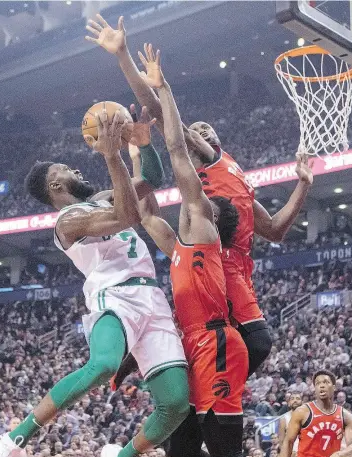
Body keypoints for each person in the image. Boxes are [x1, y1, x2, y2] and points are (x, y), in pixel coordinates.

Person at [127, 44, 307, 457]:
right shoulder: (195, 223)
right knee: (183, 444)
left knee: (222, 448)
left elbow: (180, 145)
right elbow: (143, 212)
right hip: (214, 333)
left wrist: (160, 91)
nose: (203, 133)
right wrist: (132, 152)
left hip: (231, 334)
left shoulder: (206, 216)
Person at [0, 110, 190, 457]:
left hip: (152, 298)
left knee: (177, 403)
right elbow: (127, 216)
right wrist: (113, 157)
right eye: (65, 167)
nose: (76, 166)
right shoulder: (67, 222)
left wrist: (142, 142)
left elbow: (149, 184)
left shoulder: (100, 198)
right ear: (55, 184)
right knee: (104, 365)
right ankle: (12, 441)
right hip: (113, 295)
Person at [86, 13, 313, 377]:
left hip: (231, 264)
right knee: (256, 343)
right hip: (213, 261)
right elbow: (162, 115)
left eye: (208, 127)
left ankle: (171, 370)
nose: (202, 129)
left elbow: (274, 230)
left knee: (233, 344)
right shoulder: (203, 161)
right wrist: (124, 56)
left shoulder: (236, 176)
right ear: (195, 145)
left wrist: (303, 184)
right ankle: (189, 384)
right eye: (197, 130)